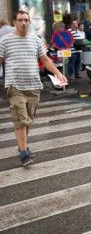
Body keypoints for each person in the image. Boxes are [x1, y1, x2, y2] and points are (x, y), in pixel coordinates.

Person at [0, 10, 67, 167]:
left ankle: (22, 145)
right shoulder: (5, 41)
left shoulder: (35, 40)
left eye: (26, 20)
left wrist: (58, 73)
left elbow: (45, 60)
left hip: (34, 86)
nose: (24, 23)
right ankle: (24, 153)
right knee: (21, 121)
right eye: (20, 20)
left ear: (29, 22)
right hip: (15, 86)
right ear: (14, 22)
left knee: (27, 120)